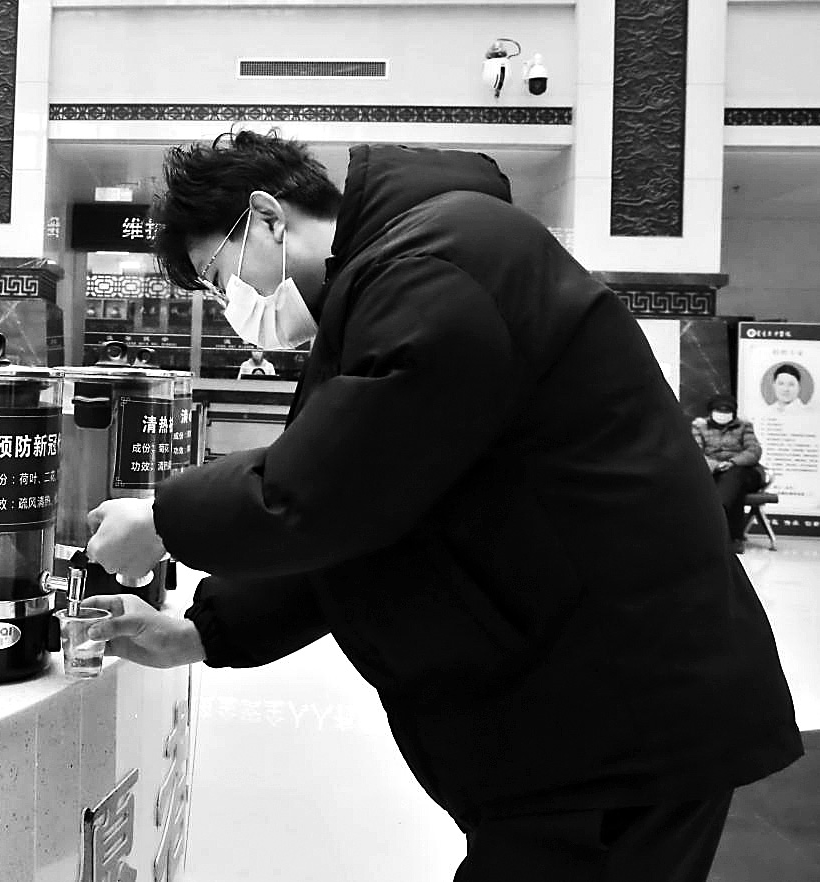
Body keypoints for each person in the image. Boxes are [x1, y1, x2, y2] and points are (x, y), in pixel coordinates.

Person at [81, 131, 803, 882]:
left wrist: (163, 521)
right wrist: (202, 632)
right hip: (583, 722)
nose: (230, 303)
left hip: (617, 723)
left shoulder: (435, 265)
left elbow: (328, 491)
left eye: (217, 276)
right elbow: (378, 517)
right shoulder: (404, 271)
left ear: (266, 217)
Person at [691, 394, 763, 554]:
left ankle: (720, 513)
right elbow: (696, 453)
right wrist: (716, 465)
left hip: (743, 471)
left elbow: (754, 451)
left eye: (727, 411)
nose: (723, 414)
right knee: (732, 490)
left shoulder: (744, 426)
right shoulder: (699, 427)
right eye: (719, 410)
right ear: (711, 411)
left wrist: (732, 462)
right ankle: (734, 538)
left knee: (733, 479)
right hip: (712, 471)